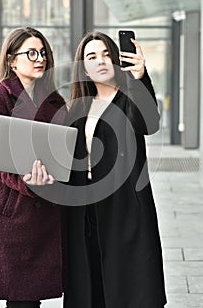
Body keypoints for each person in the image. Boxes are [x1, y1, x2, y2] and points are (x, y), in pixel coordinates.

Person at [64, 31, 167, 308]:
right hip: (85, 211)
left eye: (107, 54)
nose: (101, 61)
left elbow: (149, 123)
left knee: (129, 289)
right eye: (92, 56)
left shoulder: (128, 99)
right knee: (91, 285)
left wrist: (139, 78)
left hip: (125, 210)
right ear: (83, 66)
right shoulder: (78, 108)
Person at [0, 27, 67, 308]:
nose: (40, 59)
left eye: (43, 53)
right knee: (21, 300)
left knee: (32, 297)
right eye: (32, 53)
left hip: (48, 206)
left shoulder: (53, 100)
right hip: (11, 211)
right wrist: (31, 182)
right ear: (12, 60)